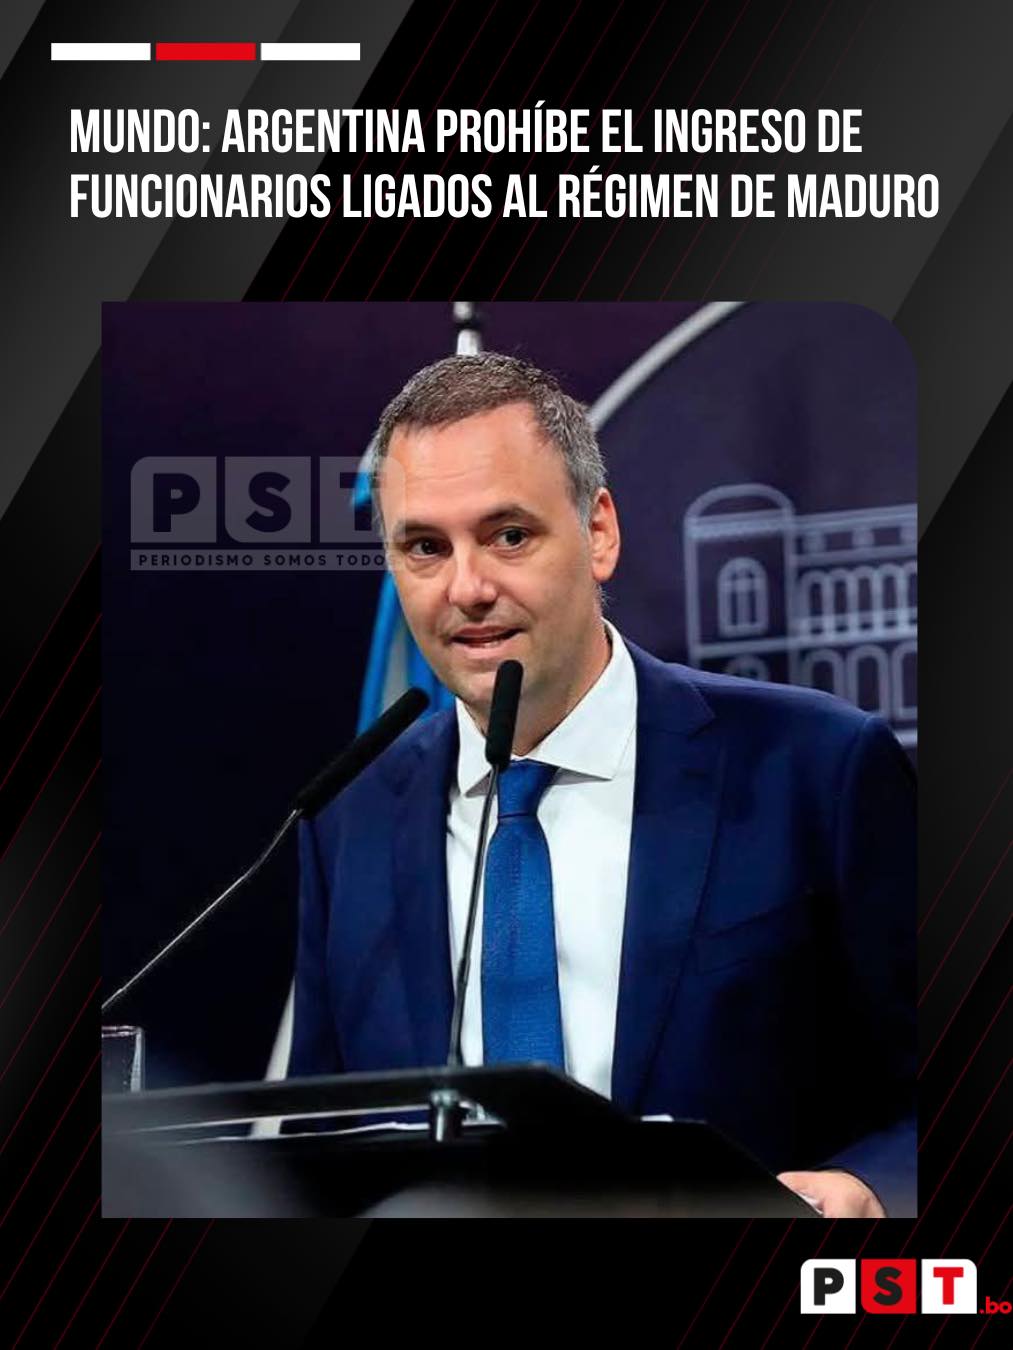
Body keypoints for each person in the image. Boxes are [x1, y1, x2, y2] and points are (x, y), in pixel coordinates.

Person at [289, 353, 916, 1218]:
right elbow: (324, 1137)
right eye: (425, 547)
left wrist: (865, 1188)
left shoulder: (818, 767)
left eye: (509, 535)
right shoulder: (347, 813)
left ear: (599, 534)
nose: (467, 588)